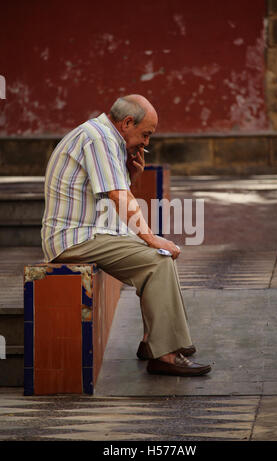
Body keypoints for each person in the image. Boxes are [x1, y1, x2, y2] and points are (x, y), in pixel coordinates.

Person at [41, 94, 211, 377]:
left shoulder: (103, 135)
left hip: (91, 232)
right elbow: (118, 197)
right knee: (156, 259)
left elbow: (113, 192)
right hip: (74, 237)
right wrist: (151, 237)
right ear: (127, 122)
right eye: (145, 134)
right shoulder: (99, 139)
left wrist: (132, 174)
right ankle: (165, 354)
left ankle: (153, 342)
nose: (146, 142)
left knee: (161, 256)